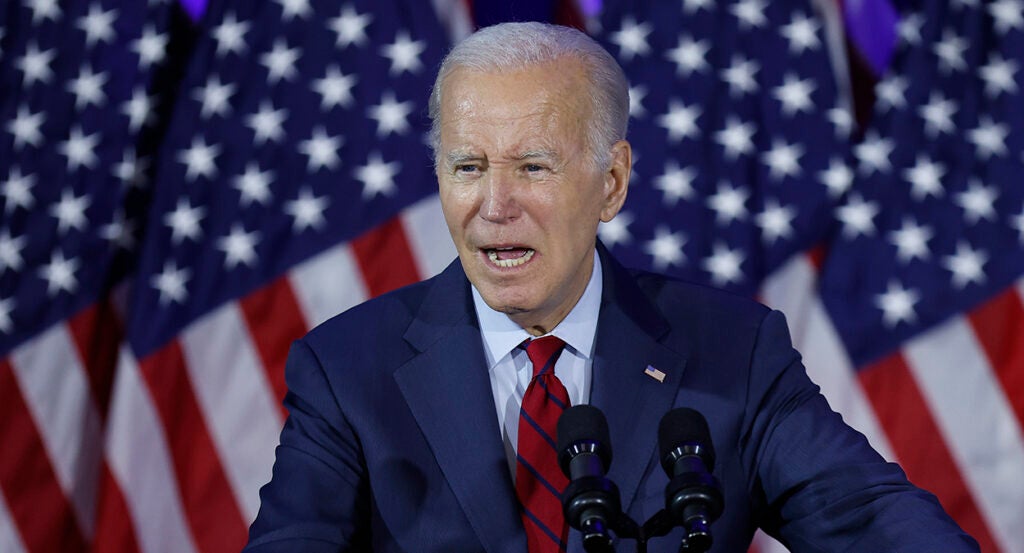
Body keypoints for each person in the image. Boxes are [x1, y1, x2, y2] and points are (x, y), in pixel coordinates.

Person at [244, 22, 978, 553]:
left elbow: (873, 523)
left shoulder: (733, 353)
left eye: (533, 166)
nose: (494, 206)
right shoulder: (347, 369)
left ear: (613, 183)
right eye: (468, 166)